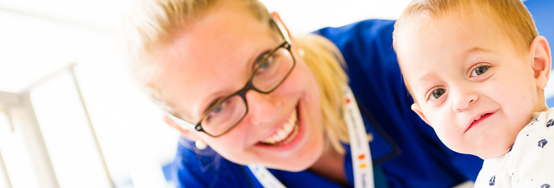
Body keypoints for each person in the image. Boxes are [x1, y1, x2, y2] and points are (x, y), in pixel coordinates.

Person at [121, 0, 483, 187]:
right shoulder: (206, 176)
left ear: (286, 33)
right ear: (186, 129)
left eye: (263, 63)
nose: (266, 112)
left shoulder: (403, 67)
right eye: (218, 106)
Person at [391, 0, 554, 187]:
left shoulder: (552, 144)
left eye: (479, 70)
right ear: (426, 119)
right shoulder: (496, 167)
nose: (461, 100)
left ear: (536, 65)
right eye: (437, 92)